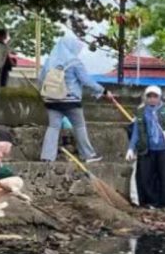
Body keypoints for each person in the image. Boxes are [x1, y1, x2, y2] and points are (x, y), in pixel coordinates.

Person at [38, 34, 111, 163]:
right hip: (70, 100)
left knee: (53, 127)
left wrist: (43, 94)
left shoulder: (50, 60)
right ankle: (88, 155)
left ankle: (47, 157)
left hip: (51, 100)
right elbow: (86, 81)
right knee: (79, 126)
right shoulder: (74, 62)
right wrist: (103, 91)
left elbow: (41, 79)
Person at [126, 86, 165, 211]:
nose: (152, 99)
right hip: (147, 149)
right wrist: (131, 148)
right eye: (149, 96)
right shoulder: (141, 112)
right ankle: (150, 202)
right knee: (146, 177)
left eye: (155, 96)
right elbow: (137, 132)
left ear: (159, 97)